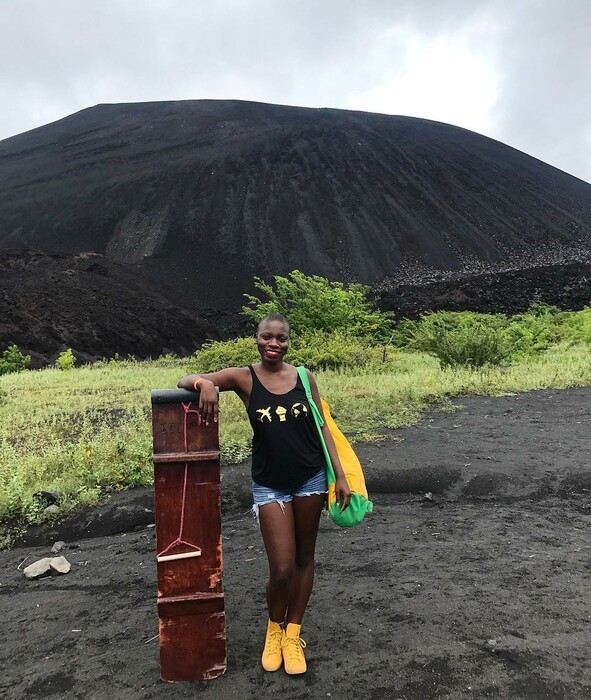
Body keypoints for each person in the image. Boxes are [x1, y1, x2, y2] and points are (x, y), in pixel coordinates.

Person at [178, 313, 351, 675]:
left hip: (312, 479)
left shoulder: (304, 377)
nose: (274, 344)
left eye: (281, 339)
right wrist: (204, 385)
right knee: (282, 568)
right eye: (267, 337)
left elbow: (323, 427)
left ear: (289, 342)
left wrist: (340, 476)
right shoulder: (244, 378)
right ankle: (274, 628)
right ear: (256, 339)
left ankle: (293, 634)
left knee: (305, 557)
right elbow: (184, 378)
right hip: (270, 483)